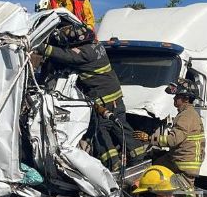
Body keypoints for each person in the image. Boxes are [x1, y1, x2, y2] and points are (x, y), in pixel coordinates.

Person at [36, 22, 146, 171]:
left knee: (100, 132)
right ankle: (138, 157)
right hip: (115, 99)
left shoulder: (84, 53)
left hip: (104, 101)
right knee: (121, 129)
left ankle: (112, 164)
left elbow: (61, 54)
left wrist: (39, 46)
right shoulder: (97, 46)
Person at [133, 78, 205, 197]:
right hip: (182, 160)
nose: (174, 99)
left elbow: (173, 140)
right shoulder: (189, 114)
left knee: (177, 189)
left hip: (182, 162)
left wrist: (149, 138)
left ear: (185, 98)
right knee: (184, 192)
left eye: (177, 96)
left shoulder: (186, 116)